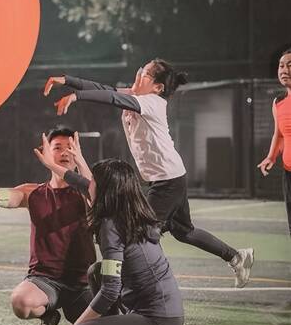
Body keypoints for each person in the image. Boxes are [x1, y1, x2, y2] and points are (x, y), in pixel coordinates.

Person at [44, 59, 254, 288]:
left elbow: (112, 98)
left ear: (158, 87)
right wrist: (67, 81)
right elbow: (104, 89)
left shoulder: (152, 102)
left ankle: (148, 284)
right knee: (184, 232)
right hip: (167, 177)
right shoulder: (137, 97)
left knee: (137, 233)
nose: (137, 76)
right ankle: (236, 257)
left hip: (167, 182)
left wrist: (76, 97)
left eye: (144, 74)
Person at [35, 139, 183, 325]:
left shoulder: (111, 226)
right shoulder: (129, 209)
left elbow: (111, 291)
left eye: (93, 181)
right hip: (164, 315)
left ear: (106, 191)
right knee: (97, 271)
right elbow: (79, 182)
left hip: (158, 322)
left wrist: (80, 324)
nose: (88, 184)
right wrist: (52, 165)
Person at [0, 126, 97, 325]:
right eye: (58, 147)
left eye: (71, 148)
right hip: (44, 279)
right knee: (21, 303)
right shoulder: (32, 193)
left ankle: (77, 318)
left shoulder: (85, 193)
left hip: (82, 283)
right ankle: (48, 316)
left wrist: (82, 161)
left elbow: (95, 195)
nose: (65, 153)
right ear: (45, 152)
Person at [258, 47, 291, 235]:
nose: (284, 70)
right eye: (281, 66)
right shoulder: (278, 102)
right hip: (288, 173)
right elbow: (279, 134)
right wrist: (271, 157)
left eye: (290, 65)